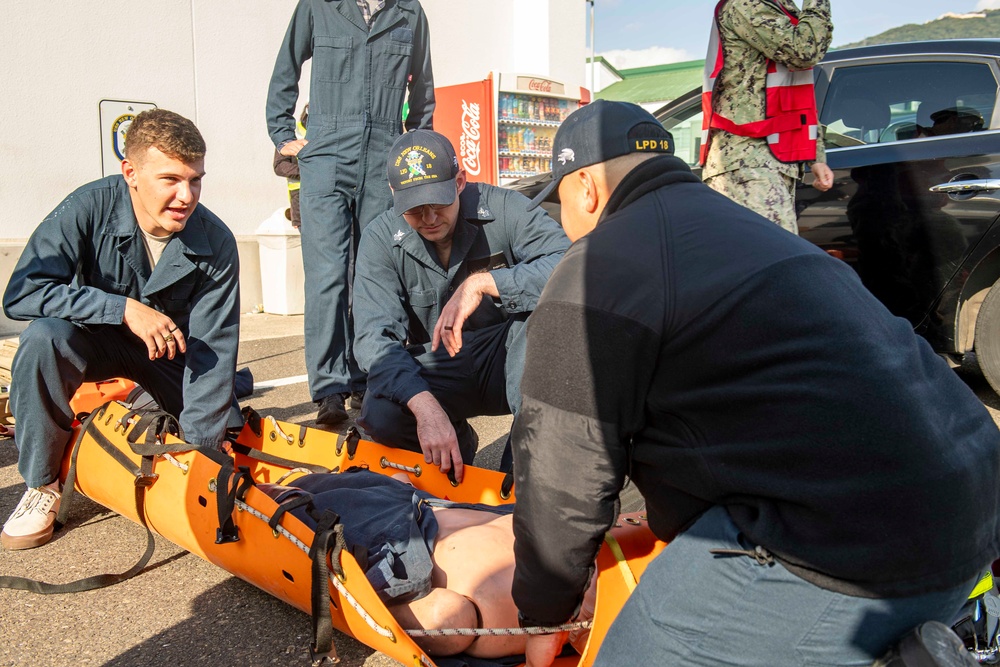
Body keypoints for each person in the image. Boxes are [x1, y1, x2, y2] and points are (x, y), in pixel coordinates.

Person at [510, 100, 1000, 666]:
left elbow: (564, 470)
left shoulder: (598, 268)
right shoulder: (753, 232)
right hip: (972, 499)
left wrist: (545, 611)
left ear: (586, 188)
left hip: (860, 547)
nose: (564, 224)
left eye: (561, 203)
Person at [1, 109, 242, 551]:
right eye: (170, 179)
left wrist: (202, 456)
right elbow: (21, 294)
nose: (185, 196)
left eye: (196, 180)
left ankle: (147, 399)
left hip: (172, 354)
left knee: (227, 422)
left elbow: (214, 350)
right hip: (95, 344)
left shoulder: (216, 241)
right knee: (42, 340)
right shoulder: (87, 207)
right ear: (130, 172)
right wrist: (121, 308)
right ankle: (41, 486)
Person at [352, 130, 569, 483]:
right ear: (393, 195)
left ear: (459, 182)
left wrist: (486, 282)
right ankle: (455, 452)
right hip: (442, 363)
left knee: (546, 328)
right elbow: (374, 340)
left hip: (511, 357)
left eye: (437, 203)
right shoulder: (379, 240)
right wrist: (424, 407)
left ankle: (526, 480)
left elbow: (571, 266)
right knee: (382, 411)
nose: (428, 218)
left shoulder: (506, 208)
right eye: (413, 209)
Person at [266, 0, 435, 427]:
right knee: (327, 277)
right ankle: (329, 389)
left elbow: (424, 89)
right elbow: (286, 67)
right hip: (325, 151)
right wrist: (282, 132)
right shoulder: (318, 7)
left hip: (384, 153)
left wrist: (413, 145)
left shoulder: (409, 12)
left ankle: (369, 378)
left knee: (374, 273)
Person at [260, 467, 613, 659]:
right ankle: (296, 484)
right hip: (420, 510)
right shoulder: (605, 535)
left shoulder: (475, 619)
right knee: (365, 488)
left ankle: (290, 487)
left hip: (398, 533)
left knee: (313, 500)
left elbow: (439, 616)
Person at [700, 0, 835, 234]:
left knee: (776, 258)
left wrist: (816, 156)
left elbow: (796, 92)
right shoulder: (746, 4)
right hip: (747, 159)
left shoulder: (778, 8)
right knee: (773, 261)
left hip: (768, 160)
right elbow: (804, 50)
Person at [272, 105, 309, 228]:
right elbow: (279, 166)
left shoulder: (329, 134)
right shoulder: (289, 135)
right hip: (300, 202)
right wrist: (308, 171)